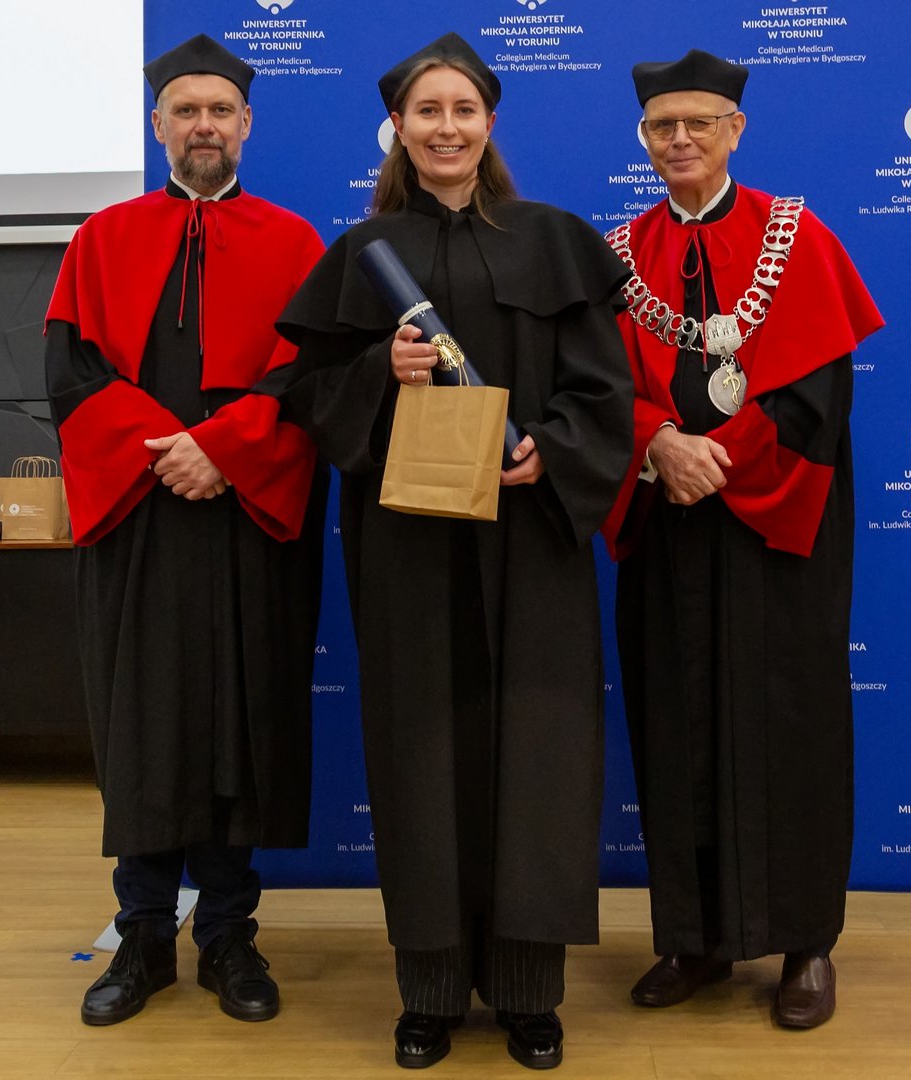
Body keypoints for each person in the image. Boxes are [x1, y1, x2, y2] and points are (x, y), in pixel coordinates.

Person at [266, 32, 633, 1071]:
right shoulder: (361, 255)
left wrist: (553, 452)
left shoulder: (554, 239)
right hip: (409, 546)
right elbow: (309, 398)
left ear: (490, 123)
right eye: (426, 111)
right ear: (399, 128)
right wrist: (379, 370)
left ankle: (527, 992)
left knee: (538, 758)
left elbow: (605, 390)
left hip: (531, 539)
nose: (446, 127)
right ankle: (427, 991)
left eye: (463, 110)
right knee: (421, 756)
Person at [44, 33, 328, 1028]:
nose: (203, 125)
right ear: (158, 123)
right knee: (144, 720)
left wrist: (224, 449)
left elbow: (307, 380)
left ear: (246, 124)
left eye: (219, 111)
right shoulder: (102, 239)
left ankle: (230, 939)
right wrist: (168, 451)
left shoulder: (294, 243)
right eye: (185, 110)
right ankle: (142, 938)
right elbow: (72, 375)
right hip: (140, 518)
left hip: (246, 516)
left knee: (241, 721)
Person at [602, 50, 884, 1029]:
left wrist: (717, 460)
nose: (679, 140)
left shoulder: (796, 237)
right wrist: (657, 447)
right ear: (644, 138)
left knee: (792, 722)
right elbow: (595, 388)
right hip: (666, 520)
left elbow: (819, 396)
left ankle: (805, 943)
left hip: (778, 523)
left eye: (699, 123)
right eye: (661, 126)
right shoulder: (619, 254)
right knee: (673, 719)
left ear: (736, 130)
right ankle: (694, 940)